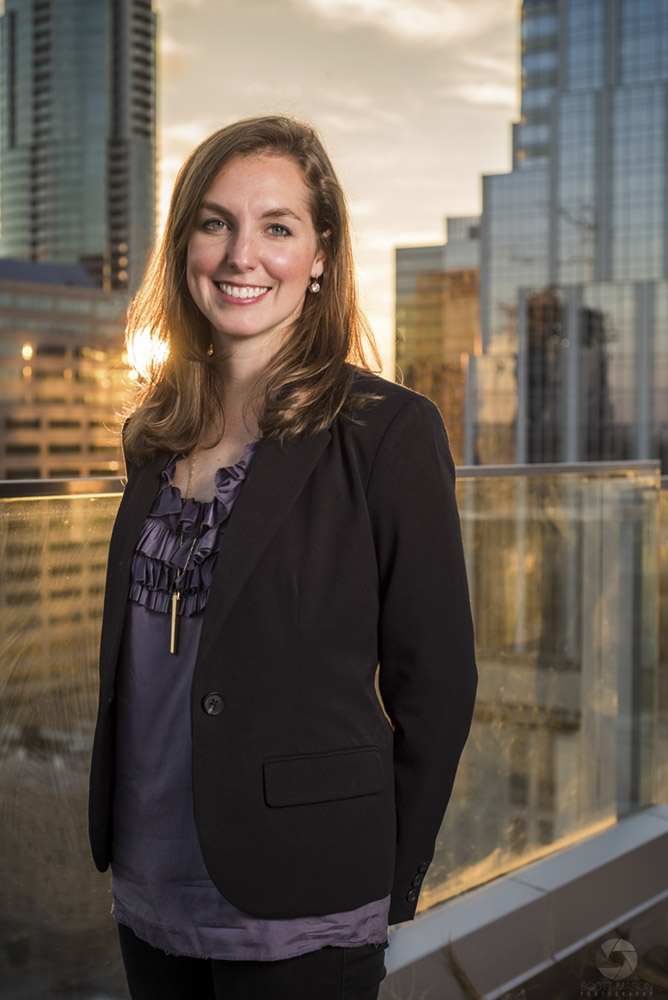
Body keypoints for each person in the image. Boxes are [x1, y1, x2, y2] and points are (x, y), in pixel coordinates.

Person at [88, 115, 477, 1000]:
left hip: (305, 892)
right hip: (149, 877)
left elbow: (439, 681)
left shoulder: (388, 433)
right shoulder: (154, 434)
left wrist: (384, 875)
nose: (240, 256)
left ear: (320, 255)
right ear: (184, 239)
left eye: (277, 227)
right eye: (216, 221)